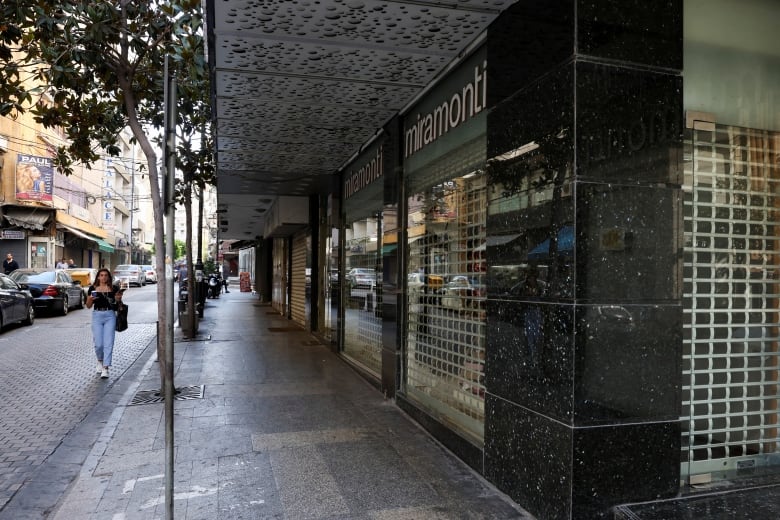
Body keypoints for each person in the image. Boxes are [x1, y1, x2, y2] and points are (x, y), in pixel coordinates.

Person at [85, 268, 124, 379]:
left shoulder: (114, 288)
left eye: (106, 275)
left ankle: (106, 368)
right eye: (101, 275)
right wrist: (91, 299)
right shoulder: (92, 289)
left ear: (108, 277)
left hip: (110, 315)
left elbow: (118, 306)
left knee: (108, 343)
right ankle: (100, 361)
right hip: (97, 315)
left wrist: (118, 299)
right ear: (98, 277)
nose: (103, 277)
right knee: (98, 344)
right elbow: (88, 306)